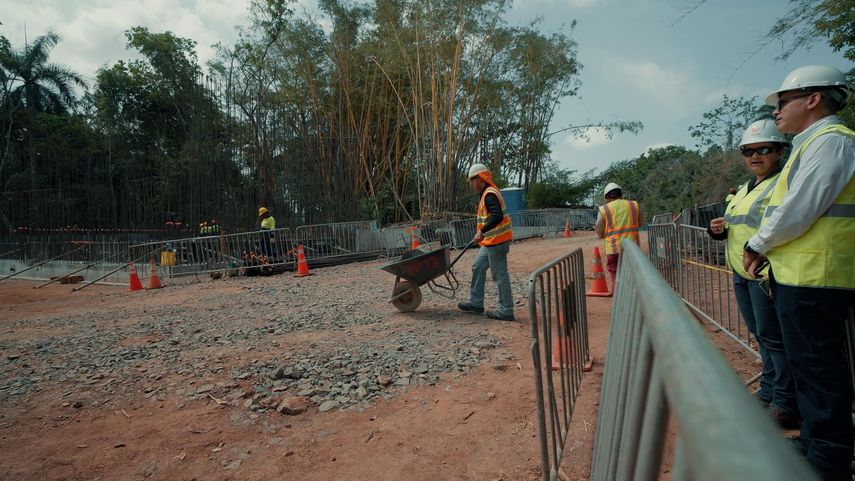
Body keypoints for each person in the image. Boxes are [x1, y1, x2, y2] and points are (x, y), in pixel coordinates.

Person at [742, 65, 854, 481]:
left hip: (818, 277)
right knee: (809, 368)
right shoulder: (813, 144)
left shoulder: (831, 142)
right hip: (803, 276)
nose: (777, 110)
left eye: (783, 101)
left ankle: (827, 461)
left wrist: (758, 243)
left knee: (819, 369)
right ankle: (814, 440)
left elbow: (799, 208)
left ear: (813, 99)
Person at [707, 119, 799, 428]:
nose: (754, 157)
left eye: (763, 149)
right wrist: (718, 230)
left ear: (780, 150)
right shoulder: (746, 188)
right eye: (748, 151)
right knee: (763, 337)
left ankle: (785, 403)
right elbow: (740, 226)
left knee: (774, 340)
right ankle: (770, 391)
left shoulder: (784, 182)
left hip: (764, 276)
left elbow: (783, 227)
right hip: (741, 274)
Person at [457, 163, 515, 321]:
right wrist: (482, 234)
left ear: (480, 179)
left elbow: (497, 216)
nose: (471, 184)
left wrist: (481, 231)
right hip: (490, 241)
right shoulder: (485, 193)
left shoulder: (489, 194)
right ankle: (476, 304)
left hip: (497, 241)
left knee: (500, 275)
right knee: (478, 266)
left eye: (472, 180)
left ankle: (506, 310)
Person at [595, 182, 642, 287]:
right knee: (632, 275)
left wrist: (601, 235)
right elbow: (641, 223)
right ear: (621, 194)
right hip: (632, 247)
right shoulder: (634, 205)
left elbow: (599, 228)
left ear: (607, 197)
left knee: (615, 276)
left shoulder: (604, 209)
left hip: (613, 249)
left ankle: (618, 302)